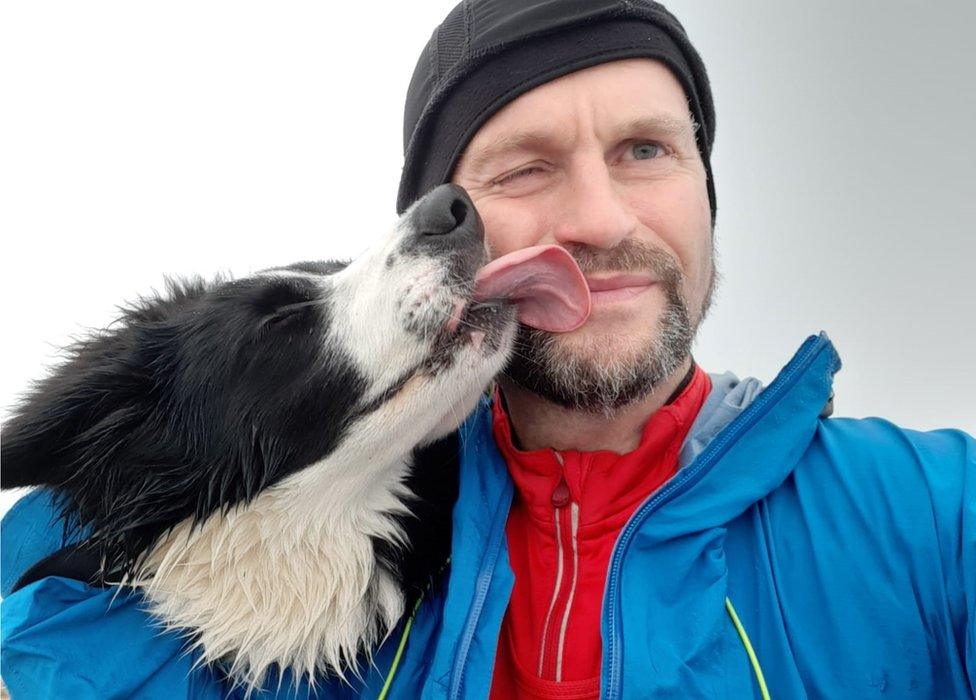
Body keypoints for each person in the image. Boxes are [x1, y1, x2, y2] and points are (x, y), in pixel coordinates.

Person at [1, 1, 972, 698]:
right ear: (452, 234)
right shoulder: (317, 550)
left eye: (647, 150)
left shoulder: (934, 517)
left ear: (705, 193)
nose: (598, 218)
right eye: (526, 167)